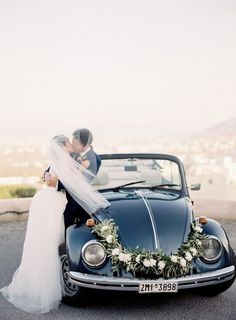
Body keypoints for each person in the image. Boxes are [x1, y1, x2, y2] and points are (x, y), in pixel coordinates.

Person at [0, 135, 110, 314]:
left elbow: (54, 176)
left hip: (50, 202)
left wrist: (56, 177)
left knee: (48, 241)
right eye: (67, 142)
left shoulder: (64, 159)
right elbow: (64, 183)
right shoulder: (64, 160)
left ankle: (47, 280)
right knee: (52, 242)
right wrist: (54, 179)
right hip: (54, 203)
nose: (70, 143)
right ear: (62, 146)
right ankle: (50, 283)